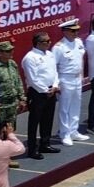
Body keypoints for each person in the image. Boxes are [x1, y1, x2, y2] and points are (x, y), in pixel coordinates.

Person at [20, 32, 60, 160]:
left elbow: (54, 72)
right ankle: (32, 149)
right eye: (46, 41)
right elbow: (32, 79)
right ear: (38, 43)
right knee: (34, 121)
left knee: (48, 119)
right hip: (37, 93)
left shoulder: (50, 55)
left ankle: (45, 144)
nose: (49, 43)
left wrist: (54, 85)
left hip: (51, 91)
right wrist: (44, 90)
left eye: (49, 41)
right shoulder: (30, 58)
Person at [52, 18, 86, 145]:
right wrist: (57, 83)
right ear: (65, 31)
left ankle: (74, 131)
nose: (76, 33)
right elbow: (53, 66)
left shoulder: (78, 42)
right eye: (72, 31)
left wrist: (81, 76)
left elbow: (80, 59)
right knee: (65, 108)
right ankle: (64, 133)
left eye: (77, 31)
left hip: (77, 78)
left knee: (76, 106)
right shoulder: (59, 47)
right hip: (65, 78)